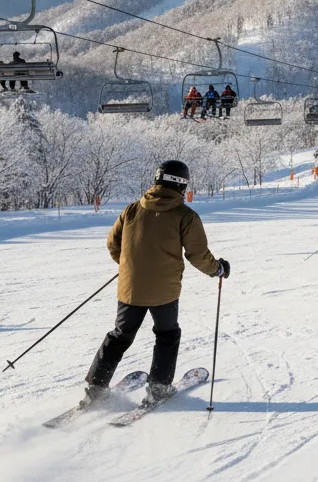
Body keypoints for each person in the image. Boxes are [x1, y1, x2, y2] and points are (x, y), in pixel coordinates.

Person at [83, 160, 228, 407]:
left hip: (130, 287)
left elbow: (113, 244)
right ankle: (159, 389)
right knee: (167, 334)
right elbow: (197, 255)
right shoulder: (185, 216)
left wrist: (131, 267)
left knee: (120, 335)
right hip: (164, 291)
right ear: (182, 184)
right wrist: (219, 269)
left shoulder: (132, 210)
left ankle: (96, 388)